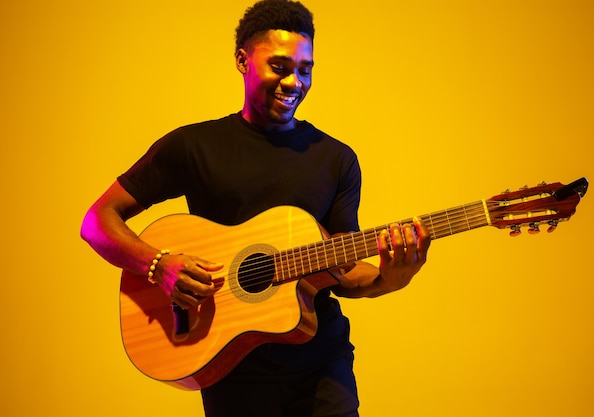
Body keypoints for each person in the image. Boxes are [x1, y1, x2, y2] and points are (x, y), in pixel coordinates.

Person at [80, 0, 431, 416]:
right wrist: (158, 264)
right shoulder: (193, 147)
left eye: (306, 69)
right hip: (230, 364)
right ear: (243, 60)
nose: (294, 82)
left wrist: (391, 279)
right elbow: (96, 221)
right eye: (280, 67)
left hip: (321, 362)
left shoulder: (337, 159)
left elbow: (342, 265)